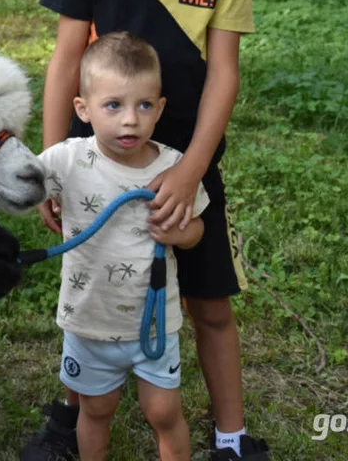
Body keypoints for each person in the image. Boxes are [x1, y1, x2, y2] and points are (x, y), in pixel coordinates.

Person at [26, 0, 269, 461]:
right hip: (98, 165)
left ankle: (229, 439)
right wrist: (53, 164)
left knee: (211, 305)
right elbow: (63, 61)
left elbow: (224, 73)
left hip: (186, 165)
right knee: (93, 293)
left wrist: (190, 168)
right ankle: (67, 423)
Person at [38, 32, 206, 461]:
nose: (130, 120)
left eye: (144, 105)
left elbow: (197, 230)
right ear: (83, 109)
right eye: (113, 105)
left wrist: (181, 234)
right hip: (89, 317)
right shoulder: (67, 160)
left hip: (154, 323)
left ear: (160, 108)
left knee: (164, 411)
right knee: (96, 409)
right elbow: (18, 183)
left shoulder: (173, 167)